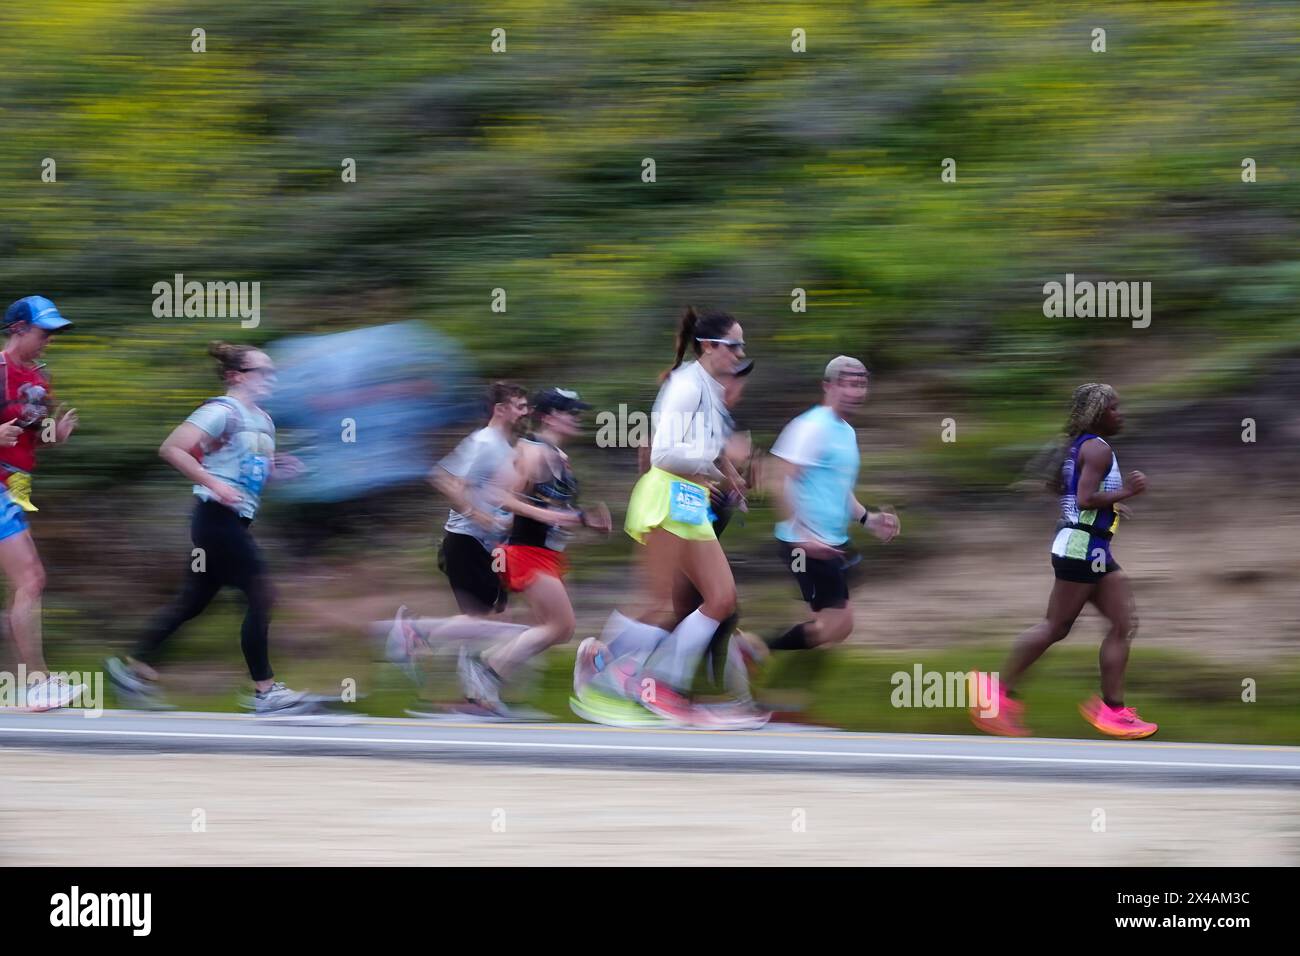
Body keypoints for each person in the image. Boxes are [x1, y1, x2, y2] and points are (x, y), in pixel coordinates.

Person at [106, 342, 307, 714]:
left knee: (193, 602)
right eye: (261, 372)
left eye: (271, 372)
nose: (269, 379)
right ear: (235, 376)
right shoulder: (221, 411)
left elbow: (248, 474)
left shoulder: (264, 420)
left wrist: (278, 471)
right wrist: (213, 483)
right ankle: (264, 691)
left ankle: (132, 671)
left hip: (235, 519)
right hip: (215, 518)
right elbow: (172, 448)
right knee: (262, 593)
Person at [577, 307, 752, 728]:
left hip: (688, 501)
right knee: (662, 603)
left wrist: (727, 477)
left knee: (716, 599)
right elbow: (664, 453)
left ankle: (629, 670)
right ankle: (618, 675)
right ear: (709, 346)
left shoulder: (708, 389)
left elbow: (701, 452)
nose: (740, 353)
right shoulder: (686, 385)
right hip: (667, 498)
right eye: (734, 345)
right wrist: (717, 464)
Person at [970, 383, 1156, 739]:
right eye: (1115, 408)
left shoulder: (1079, 446)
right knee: (1056, 626)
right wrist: (1126, 492)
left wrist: (1113, 504)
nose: (1121, 414)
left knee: (1123, 623)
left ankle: (1112, 710)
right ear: (1099, 413)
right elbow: (1085, 499)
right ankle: (996, 694)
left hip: (1093, 548)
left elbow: (1066, 491)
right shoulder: (1097, 449)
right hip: (1081, 549)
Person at [458, 387, 610, 716]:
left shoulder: (558, 456)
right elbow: (501, 495)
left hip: (545, 554)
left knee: (550, 627)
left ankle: (484, 687)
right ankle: (484, 670)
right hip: (523, 551)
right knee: (561, 626)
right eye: (571, 412)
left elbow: (556, 507)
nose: (577, 418)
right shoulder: (531, 452)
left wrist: (585, 521)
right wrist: (557, 516)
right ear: (550, 415)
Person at [762, 357, 899, 691]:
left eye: (861, 384)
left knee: (839, 627)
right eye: (847, 383)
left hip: (832, 542)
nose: (855, 391)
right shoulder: (812, 427)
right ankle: (755, 652)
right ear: (828, 386)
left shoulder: (846, 432)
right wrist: (803, 536)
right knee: (834, 624)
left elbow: (839, 489)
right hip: (805, 545)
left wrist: (868, 519)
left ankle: (777, 686)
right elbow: (777, 479)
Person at [0, 296, 83, 711]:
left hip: (16, 488)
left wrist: (57, 435)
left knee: (29, 582)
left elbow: (34, 438)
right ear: (17, 329)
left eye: (52, 333)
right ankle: (37, 683)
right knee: (30, 580)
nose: (48, 340)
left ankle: (34, 681)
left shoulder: (39, 378)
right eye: (42, 331)